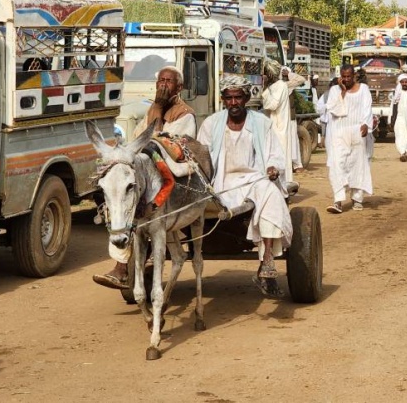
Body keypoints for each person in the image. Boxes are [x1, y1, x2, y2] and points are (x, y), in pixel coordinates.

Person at [94, 66, 196, 290]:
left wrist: (157, 113)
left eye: (168, 82)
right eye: (160, 81)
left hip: (173, 176)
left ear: (179, 87)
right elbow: (137, 139)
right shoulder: (152, 109)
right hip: (148, 169)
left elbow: (167, 143)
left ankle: (127, 266)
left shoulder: (185, 113)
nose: (163, 85)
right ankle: (122, 266)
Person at [197, 76, 293, 297]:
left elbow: (274, 155)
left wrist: (272, 168)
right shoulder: (211, 123)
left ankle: (267, 260)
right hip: (219, 185)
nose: (233, 102)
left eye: (238, 97)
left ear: (247, 98)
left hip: (253, 181)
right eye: (229, 98)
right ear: (222, 100)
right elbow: (201, 158)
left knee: (270, 193)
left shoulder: (262, 123)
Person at [325, 64, 373, 213]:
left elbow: (367, 108)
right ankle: (338, 200)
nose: (346, 79)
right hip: (339, 132)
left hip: (357, 130)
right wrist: (343, 92)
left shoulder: (363, 89)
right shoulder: (335, 90)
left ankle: (357, 199)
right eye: (343, 76)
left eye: (348, 77)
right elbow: (335, 110)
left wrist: (366, 124)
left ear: (354, 76)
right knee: (337, 164)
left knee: (357, 165)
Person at [262, 60, 294, 184]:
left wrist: (264, 91)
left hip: (279, 127)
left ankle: (284, 186)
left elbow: (272, 104)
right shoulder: (275, 86)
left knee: (279, 157)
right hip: (275, 126)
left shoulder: (280, 86)